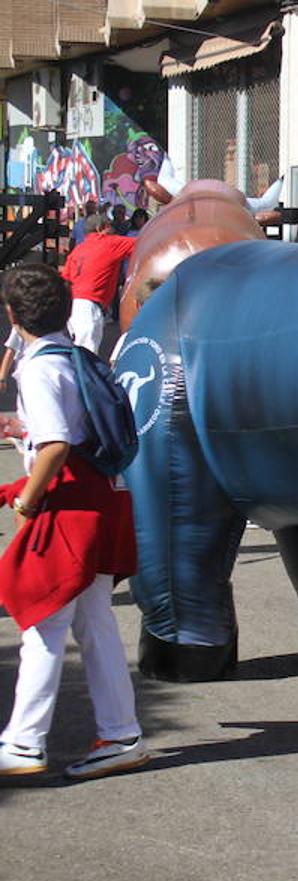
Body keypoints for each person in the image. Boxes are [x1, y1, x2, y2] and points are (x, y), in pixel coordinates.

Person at [0, 262, 146, 779]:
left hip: (66, 506)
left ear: (13, 316)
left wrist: (26, 502)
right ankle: (120, 730)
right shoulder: (76, 356)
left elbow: (57, 443)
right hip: (102, 498)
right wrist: (23, 427)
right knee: (93, 620)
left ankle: (23, 740)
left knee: (43, 617)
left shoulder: (38, 368)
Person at [60, 212, 136, 354]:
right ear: (101, 227)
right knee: (87, 357)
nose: (113, 229)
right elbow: (142, 243)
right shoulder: (110, 242)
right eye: (110, 226)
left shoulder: (79, 249)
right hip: (89, 306)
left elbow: (66, 278)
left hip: (74, 305)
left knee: (79, 352)